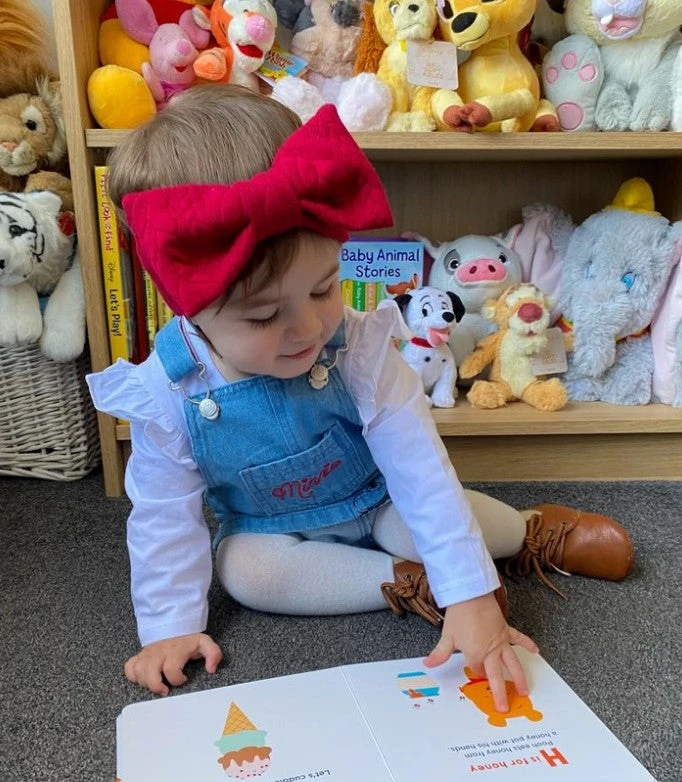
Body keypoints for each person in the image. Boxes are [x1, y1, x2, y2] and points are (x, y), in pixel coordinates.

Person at [87, 84, 633, 709]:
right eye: (263, 316)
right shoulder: (168, 388)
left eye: (323, 289)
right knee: (243, 572)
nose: (308, 329)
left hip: (380, 499)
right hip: (272, 527)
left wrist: (473, 591)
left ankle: (526, 530)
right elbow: (162, 513)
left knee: (422, 526)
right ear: (187, 303)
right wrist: (169, 627)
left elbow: (419, 469)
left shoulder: (359, 345)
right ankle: (411, 582)